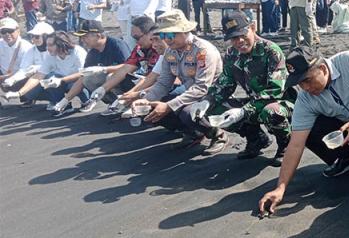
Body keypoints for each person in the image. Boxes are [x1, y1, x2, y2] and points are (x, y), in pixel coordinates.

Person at [258, 46, 349, 215]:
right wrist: (280, 188)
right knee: (305, 130)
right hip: (342, 127)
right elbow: (295, 144)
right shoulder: (305, 98)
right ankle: (347, 158)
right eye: (300, 83)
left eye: (308, 80)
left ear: (323, 69)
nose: (305, 88)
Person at [190, 11, 294, 165]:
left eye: (242, 34)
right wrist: (207, 101)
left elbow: (275, 91)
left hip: (280, 102)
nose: (239, 41)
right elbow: (225, 83)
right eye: (233, 38)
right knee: (213, 109)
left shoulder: (271, 50)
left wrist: (243, 111)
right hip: (253, 102)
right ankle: (256, 139)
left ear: (252, 28)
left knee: (272, 112)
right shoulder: (232, 54)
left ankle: (286, 145)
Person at [137, 9, 225, 154]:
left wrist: (169, 106)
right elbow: (163, 83)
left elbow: (202, 88)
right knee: (150, 108)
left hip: (213, 96)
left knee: (187, 112)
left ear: (185, 31)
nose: (167, 39)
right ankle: (192, 134)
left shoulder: (203, 50)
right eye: (163, 35)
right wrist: (146, 101)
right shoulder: (170, 52)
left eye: (171, 34)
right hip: (190, 93)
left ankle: (218, 134)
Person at [85, 16, 160, 116]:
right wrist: (103, 89)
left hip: (159, 84)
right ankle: (122, 104)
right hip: (146, 82)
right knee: (112, 77)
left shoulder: (161, 49)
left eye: (137, 38)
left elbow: (154, 78)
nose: (136, 41)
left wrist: (130, 95)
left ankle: (134, 104)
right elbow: (126, 68)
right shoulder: (139, 49)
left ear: (150, 34)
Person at [51, 21, 129, 115]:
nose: (82, 40)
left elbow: (129, 66)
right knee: (88, 79)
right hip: (113, 83)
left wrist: (104, 69)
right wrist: (65, 100)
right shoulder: (93, 52)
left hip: (132, 82)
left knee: (111, 76)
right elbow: (82, 76)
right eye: (81, 37)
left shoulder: (117, 45)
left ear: (98, 35)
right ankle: (114, 104)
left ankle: (127, 103)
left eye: (85, 36)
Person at [3, 31, 87, 110]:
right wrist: (19, 93)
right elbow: (39, 76)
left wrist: (61, 80)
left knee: (79, 83)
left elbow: (83, 73)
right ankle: (62, 104)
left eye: (50, 45)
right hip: (62, 82)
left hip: (80, 82)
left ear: (60, 44)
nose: (47, 48)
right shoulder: (50, 55)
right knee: (33, 90)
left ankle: (86, 101)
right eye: (47, 45)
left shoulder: (78, 52)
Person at [1, 22, 54, 105]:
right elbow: (24, 70)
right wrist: (12, 80)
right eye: (32, 36)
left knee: (50, 76)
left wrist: (38, 68)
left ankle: (58, 99)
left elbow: (58, 67)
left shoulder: (56, 49)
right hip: (39, 79)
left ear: (46, 36)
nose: (34, 39)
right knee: (29, 93)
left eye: (37, 36)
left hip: (60, 79)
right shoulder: (32, 50)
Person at [0, 18, 34, 86]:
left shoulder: (27, 47)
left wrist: (12, 80)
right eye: (3, 31)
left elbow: (25, 70)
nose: (7, 34)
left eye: (10, 31)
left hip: (20, 80)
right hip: (3, 77)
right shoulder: (1, 43)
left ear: (18, 31)